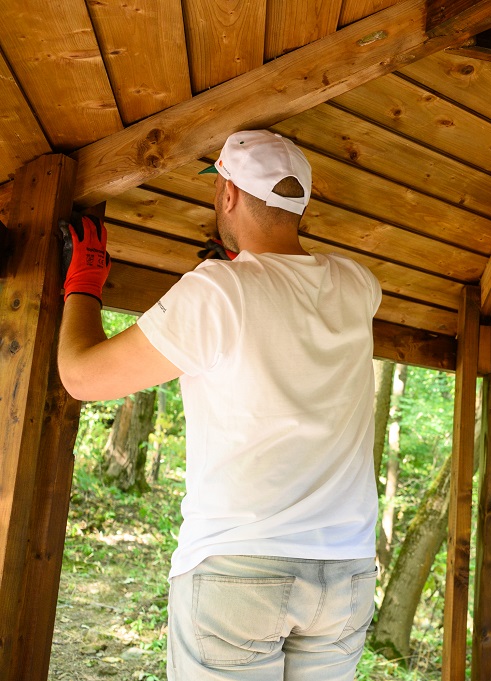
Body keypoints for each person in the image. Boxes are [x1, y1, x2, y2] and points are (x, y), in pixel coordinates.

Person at [58, 130, 382, 680]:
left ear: (226, 194)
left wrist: (83, 282)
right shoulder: (357, 285)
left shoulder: (218, 290)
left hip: (242, 567)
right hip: (345, 575)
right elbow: (286, 301)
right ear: (299, 204)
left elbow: (82, 377)